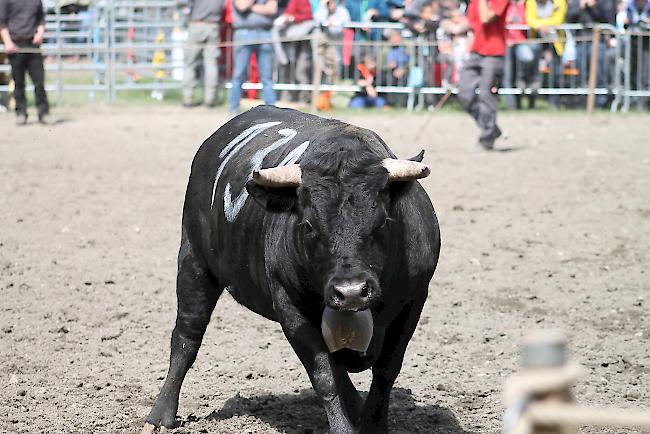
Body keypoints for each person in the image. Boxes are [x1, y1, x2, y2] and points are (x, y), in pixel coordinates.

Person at [457, 0, 509, 150]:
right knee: (464, 94)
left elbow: (486, 18)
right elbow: (473, 24)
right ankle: (491, 128)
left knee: (486, 96)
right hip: (476, 52)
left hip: (494, 53)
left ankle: (486, 140)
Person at [0, 0, 50, 125]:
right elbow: (2, 22)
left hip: (33, 44)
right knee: (19, 83)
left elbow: (41, 18)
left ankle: (43, 112)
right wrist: (8, 42)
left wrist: (40, 33)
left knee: (39, 82)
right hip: (15, 44)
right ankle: (21, 113)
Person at [229, 0, 278, 113]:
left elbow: (272, 9)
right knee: (239, 74)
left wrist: (251, 6)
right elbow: (241, 6)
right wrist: (261, 7)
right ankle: (233, 109)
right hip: (243, 33)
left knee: (267, 76)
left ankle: (272, 111)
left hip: (265, 33)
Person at [566, 0, 616, 108]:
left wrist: (595, 7)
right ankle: (583, 101)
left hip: (599, 42)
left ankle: (600, 101)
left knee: (599, 73)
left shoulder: (603, 2)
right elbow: (569, 18)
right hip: (581, 41)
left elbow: (609, 19)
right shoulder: (576, 2)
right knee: (582, 74)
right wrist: (579, 7)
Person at [180, 0, 226, 107]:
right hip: (213, 27)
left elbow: (182, 2)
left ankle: (188, 97)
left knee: (190, 64)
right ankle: (210, 98)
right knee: (211, 64)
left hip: (197, 25)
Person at [272, 0, 314, 103]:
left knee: (301, 71)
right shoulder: (287, 2)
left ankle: (304, 99)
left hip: (303, 41)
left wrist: (292, 18)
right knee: (287, 69)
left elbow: (308, 16)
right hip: (290, 41)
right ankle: (288, 98)